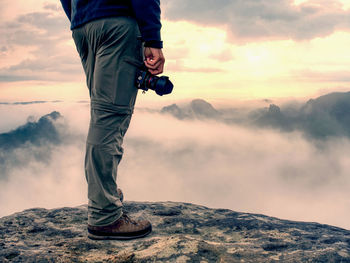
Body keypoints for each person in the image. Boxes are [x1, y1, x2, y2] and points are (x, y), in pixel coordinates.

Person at [60, 0, 165, 240]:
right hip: (116, 22)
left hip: (84, 26)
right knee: (109, 118)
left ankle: (104, 193)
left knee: (102, 113)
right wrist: (153, 39)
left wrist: (81, 17)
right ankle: (104, 215)